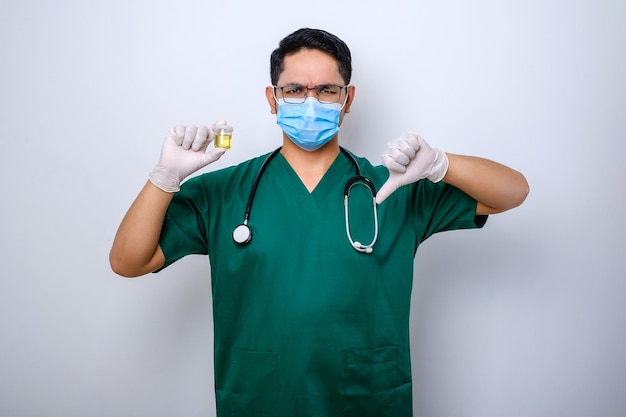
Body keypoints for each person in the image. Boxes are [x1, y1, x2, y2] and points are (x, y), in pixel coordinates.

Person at [110, 28, 528, 417]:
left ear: (347, 99)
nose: (310, 101)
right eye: (294, 89)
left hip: (366, 398)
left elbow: (512, 192)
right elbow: (128, 261)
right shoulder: (224, 191)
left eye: (327, 90)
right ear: (273, 99)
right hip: (261, 397)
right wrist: (164, 179)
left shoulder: (395, 186)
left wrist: (441, 164)